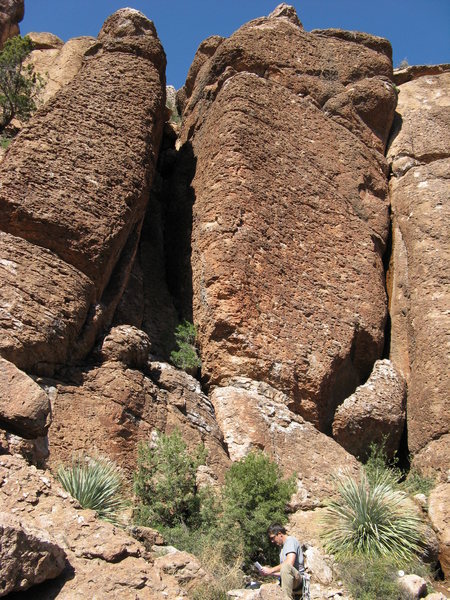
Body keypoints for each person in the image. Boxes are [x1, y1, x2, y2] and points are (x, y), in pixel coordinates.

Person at [260, 524, 305, 599]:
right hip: (292, 578)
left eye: (273, 538)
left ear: (280, 534)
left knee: (286, 566)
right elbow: (285, 572)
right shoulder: (282, 547)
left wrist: (271, 570)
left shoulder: (290, 541)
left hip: (298, 581)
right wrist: (270, 573)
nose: (272, 541)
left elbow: (288, 564)